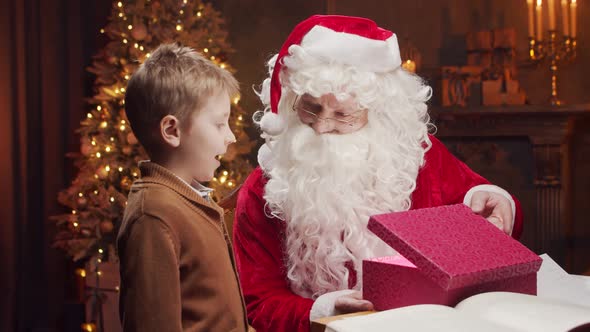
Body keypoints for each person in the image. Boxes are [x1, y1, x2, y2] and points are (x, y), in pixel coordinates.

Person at [232, 15, 523, 332]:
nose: (321, 126)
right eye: (311, 108)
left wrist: (496, 201)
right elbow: (257, 302)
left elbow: (487, 210)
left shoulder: (414, 156)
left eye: (343, 114)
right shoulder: (266, 189)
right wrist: (323, 311)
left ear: (377, 113)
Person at [117, 43, 249, 331]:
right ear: (172, 131)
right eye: (219, 124)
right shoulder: (154, 216)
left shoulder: (196, 202)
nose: (230, 138)